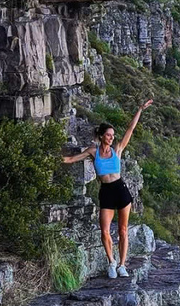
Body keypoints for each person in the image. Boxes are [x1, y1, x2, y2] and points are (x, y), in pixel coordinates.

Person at [62, 100, 153, 278]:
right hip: (106, 192)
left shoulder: (117, 149)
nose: (112, 138)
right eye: (109, 135)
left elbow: (130, 129)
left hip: (121, 190)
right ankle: (111, 262)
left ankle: (122, 265)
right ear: (102, 135)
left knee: (123, 230)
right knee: (104, 230)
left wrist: (140, 109)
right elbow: (71, 159)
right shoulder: (93, 151)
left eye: (113, 135)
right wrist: (48, 156)